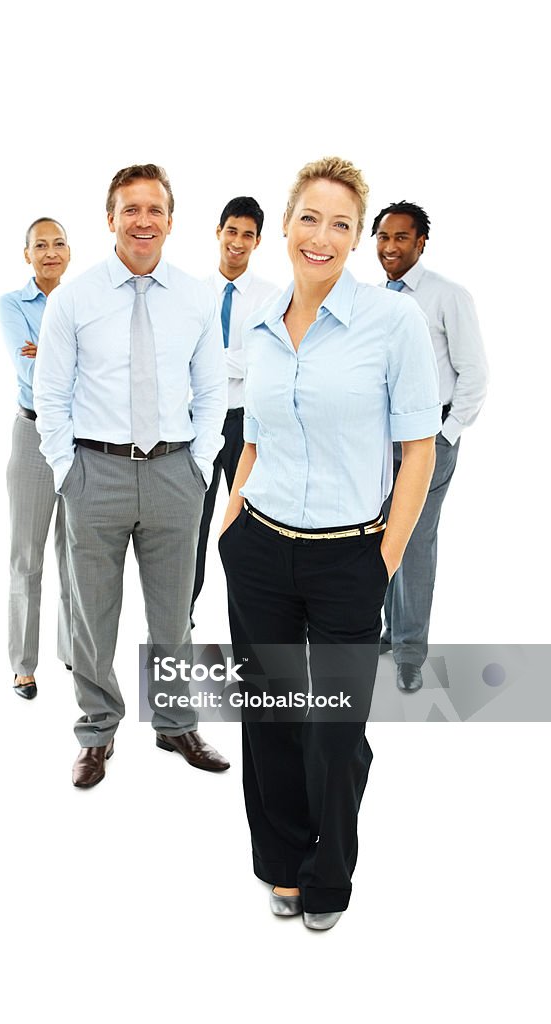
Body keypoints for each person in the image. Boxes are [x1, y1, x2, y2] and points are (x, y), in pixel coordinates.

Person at [218, 157, 440, 929]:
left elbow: (419, 450)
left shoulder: (392, 323)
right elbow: (252, 430)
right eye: (308, 218)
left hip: (350, 553)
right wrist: (232, 516)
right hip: (258, 549)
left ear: (356, 237)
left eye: (341, 224)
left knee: (335, 730)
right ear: (285, 225)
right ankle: (280, 860)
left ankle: (329, 874)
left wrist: (381, 560)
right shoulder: (258, 321)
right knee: (271, 715)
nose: (322, 236)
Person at [33, 163, 230, 788]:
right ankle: (97, 730)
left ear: (170, 220)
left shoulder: (196, 297)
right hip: (96, 473)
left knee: (174, 613)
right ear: (110, 219)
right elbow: (51, 392)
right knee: (93, 613)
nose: (142, 221)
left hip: (175, 473)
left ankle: (175, 724)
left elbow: (212, 387)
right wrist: (67, 470)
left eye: (154, 209)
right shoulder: (75, 298)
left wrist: (199, 466)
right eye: (130, 209)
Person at [373, 202, 488, 692]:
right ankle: (389, 630)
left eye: (401, 238)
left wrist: (447, 433)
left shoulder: (447, 296)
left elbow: (474, 374)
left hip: (429, 438)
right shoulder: (376, 301)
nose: (390, 247)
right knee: (379, 534)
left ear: (421, 243)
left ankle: (410, 654)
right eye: (383, 237)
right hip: (381, 441)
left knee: (416, 543)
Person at [191, 197, 280, 627]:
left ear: (258, 241)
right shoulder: (192, 293)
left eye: (248, 235)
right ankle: (180, 616)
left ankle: (252, 619)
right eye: (232, 231)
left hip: (249, 424)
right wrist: (234, 358)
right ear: (218, 231)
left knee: (248, 530)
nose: (238, 242)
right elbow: (178, 360)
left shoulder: (272, 298)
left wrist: (209, 356)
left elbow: (265, 362)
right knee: (193, 526)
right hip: (199, 423)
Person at [0, 218, 73, 700]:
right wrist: (63, 356)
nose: (50, 251)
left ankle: (73, 649)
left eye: (59, 243)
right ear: (27, 254)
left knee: (78, 555)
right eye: (40, 245)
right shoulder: (12, 305)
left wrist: (51, 351)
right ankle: (24, 664)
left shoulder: (81, 299)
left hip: (83, 439)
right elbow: (32, 371)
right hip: (33, 436)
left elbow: (103, 367)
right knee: (28, 554)